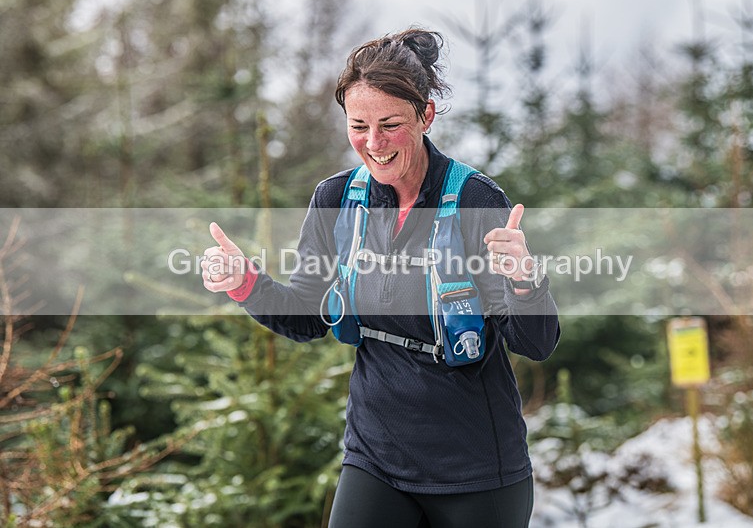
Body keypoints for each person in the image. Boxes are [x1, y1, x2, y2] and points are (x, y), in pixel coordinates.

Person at [201, 28, 560, 528]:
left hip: (477, 470)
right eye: (358, 125)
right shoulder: (336, 200)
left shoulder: (476, 200)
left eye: (390, 124)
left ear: (426, 114)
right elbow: (307, 316)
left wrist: (524, 280)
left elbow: (536, 342)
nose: (374, 143)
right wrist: (244, 282)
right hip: (376, 456)